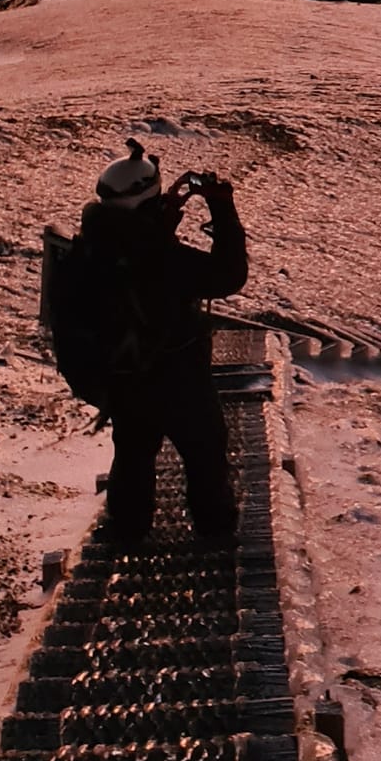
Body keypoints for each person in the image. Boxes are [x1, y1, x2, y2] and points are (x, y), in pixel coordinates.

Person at [77, 141, 248, 540]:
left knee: (134, 453)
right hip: (180, 376)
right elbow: (228, 275)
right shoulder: (164, 259)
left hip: (125, 376)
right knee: (204, 450)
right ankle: (215, 532)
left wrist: (158, 227)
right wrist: (222, 207)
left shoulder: (93, 248)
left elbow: (132, 254)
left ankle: (128, 530)